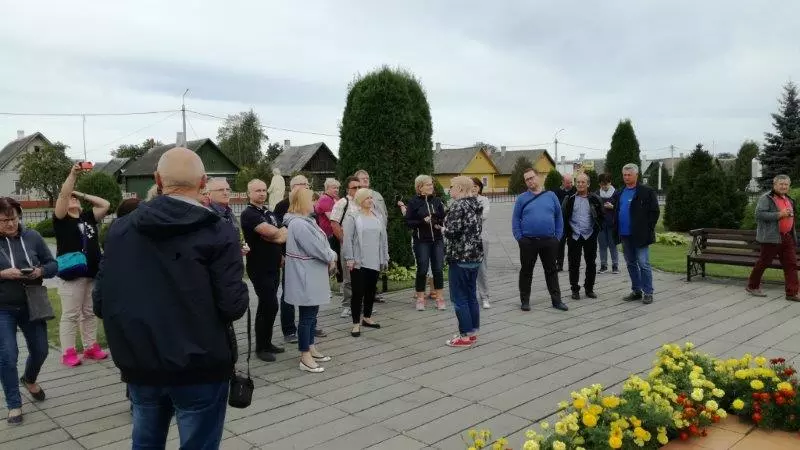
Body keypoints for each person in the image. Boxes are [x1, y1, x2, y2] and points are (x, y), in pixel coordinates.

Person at [93, 147, 249, 448]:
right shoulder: (218, 230)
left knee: (145, 441)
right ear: (202, 182)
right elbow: (232, 305)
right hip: (199, 365)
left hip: (141, 361)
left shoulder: (120, 229)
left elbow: (101, 300)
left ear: (158, 180)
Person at [0, 197, 57, 425]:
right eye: (4, 221)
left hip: (32, 303)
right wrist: (3, 274)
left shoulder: (32, 236)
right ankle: (14, 404)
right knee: (8, 356)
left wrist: (39, 271)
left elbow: (53, 265)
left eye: (13, 218)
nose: (10, 224)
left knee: (41, 350)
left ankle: (29, 378)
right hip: (3, 308)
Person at [53, 163, 111, 366]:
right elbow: (63, 195)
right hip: (72, 274)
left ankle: (90, 347)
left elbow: (105, 204)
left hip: (91, 272)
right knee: (70, 314)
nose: (73, 198)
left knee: (89, 312)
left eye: (75, 198)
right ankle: (68, 352)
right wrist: (72, 176)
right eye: (71, 197)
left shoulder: (88, 217)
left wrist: (80, 194)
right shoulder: (61, 220)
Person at [283, 188, 337, 373]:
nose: (315, 203)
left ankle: (311, 347)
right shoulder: (299, 224)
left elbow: (321, 244)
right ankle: (304, 355)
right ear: (302, 201)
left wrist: (329, 254)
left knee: (312, 314)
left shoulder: (306, 221)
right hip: (306, 275)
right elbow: (316, 248)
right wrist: (332, 255)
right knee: (307, 317)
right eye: (311, 199)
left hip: (312, 274)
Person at [274, 175, 326, 342]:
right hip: (292, 258)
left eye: (307, 184)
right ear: (293, 187)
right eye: (303, 184)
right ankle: (289, 330)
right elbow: (278, 232)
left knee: (311, 295)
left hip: (311, 260)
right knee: (289, 293)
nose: (307, 187)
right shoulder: (282, 206)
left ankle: (310, 325)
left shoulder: (309, 207)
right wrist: (281, 254)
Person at [240, 179, 288, 361]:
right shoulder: (249, 213)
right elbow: (273, 232)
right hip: (259, 266)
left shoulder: (268, 212)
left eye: (263, 190)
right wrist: (277, 234)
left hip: (274, 265)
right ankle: (261, 348)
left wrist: (277, 238)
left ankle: (267, 342)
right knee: (269, 304)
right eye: (257, 190)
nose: (261, 193)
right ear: (249, 193)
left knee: (268, 306)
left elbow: (284, 232)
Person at [512, 168, 568, 312]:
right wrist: (519, 238)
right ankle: (525, 301)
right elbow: (516, 219)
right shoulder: (522, 198)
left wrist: (557, 237)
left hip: (549, 240)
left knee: (551, 271)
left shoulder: (551, 196)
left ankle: (557, 301)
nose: (530, 181)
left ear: (538, 177)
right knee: (526, 271)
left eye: (532, 177)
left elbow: (559, 217)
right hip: (528, 241)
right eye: (527, 179)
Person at [442, 176, 484, 348]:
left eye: (451, 186)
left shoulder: (458, 205)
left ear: (459, 188)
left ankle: (464, 336)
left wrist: (443, 228)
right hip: (475, 257)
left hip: (460, 257)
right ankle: (472, 333)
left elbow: (452, 232)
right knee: (471, 296)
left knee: (459, 298)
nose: (449, 189)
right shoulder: (475, 204)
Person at [342, 188, 389, 337]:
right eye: (367, 198)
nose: (370, 200)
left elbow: (384, 238)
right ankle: (356, 324)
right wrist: (349, 258)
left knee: (370, 290)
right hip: (358, 261)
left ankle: (367, 318)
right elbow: (348, 239)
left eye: (371, 198)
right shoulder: (353, 217)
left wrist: (385, 256)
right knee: (357, 293)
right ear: (360, 200)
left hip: (375, 260)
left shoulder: (378, 216)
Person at [746, 174, 799, 301]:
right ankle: (752, 286)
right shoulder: (766, 198)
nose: (783, 186)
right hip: (771, 237)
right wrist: (779, 214)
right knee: (764, 262)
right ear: (775, 185)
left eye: (786, 184)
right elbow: (759, 215)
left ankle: (792, 293)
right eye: (781, 184)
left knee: (791, 264)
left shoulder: (789, 199)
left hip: (787, 237)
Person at [613, 163, 660, 304]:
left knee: (643, 263)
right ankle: (636, 290)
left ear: (636, 175)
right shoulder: (620, 192)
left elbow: (654, 212)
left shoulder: (646, 191)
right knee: (631, 263)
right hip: (625, 234)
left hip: (640, 235)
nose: (626, 177)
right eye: (624, 175)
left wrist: (648, 228)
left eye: (629, 175)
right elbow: (617, 210)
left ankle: (648, 292)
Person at [405, 175, 447, 311]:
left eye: (431, 184)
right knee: (422, 269)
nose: (431, 186)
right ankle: (420, 299)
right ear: (420, 187)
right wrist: (422, 221)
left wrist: (438, 221)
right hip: (421, 241)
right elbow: (408, 222)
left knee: (438, 269)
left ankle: (440, 298)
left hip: (437, 240)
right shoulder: (413, 202)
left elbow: (443, 218)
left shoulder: (437, 201)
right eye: (428, 184)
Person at [562, 173, 603, 300]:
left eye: (583, 182)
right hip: (574, 236)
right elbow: (564, 216)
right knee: (573, 263)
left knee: (591, 263)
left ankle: (589, 288)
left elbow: (601, 217)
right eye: (578, 182)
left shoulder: (595, 199)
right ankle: (575, 289)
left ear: (588, 184)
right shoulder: (569, 199)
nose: (580, 184)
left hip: (589, 235)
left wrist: (595, 231)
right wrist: (567, 233)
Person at [354, 169, 388, 303]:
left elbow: (384, 212)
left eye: (367, 177)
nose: (366, 179)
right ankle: (357, 301)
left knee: (375, 269)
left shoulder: (377, 195)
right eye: (362, 178)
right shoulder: (355, 196)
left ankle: (372, 294)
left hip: (377, 235)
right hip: (362, 241)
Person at [331, 176, 361, 318]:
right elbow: (334, 223)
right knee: (348, 276)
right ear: (348, 189)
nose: (358, 190)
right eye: (354, 187)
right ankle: (347, 305)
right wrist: (344, 241)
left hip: (363, 246)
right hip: (348, 245)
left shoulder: (364, 202)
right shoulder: (343, 203)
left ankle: (360, 304)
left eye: (359, 187)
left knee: (362, 276)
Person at [471, 177, 492, 309]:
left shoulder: (484, 200)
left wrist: (467, 217)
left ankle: (484, 297)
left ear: (479, 188)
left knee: (481, 268)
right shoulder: (463, 199)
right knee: (467, 268)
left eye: (476, 186)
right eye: (471, 186)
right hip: (465, 240)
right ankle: (470, 296)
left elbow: (484, 215)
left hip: (481, 238)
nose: (473, 188)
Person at [316, 178, 341, 282]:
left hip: (330, 234)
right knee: (331, 261)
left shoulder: (330, 198)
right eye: (334, 188)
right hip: (328, 235)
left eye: (338, 188)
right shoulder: (326, 199)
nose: (337, 190)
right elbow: (332, 218)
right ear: (327, 188)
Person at [597, 173, 619, 274]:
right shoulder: (597, 193)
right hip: (601, 224)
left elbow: (620, 208)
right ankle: (603, 265)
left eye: (606, 184)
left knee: (612, 245)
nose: (604, 186)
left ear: (610, 183)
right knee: (602, 245)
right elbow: (593, 208)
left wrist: (613, 207)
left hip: (612, 224)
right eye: (602, 184)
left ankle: (615, 265)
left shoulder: (616, 193)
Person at [554, 174, 576, 272]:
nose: (570, 184)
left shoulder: (575, 191)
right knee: (560, 245)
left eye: (571, 182)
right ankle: (559, 264)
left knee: (572, 245)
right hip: (561, 222)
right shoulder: (556, 192)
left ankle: (572, 264)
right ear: (562, 182)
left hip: (572, 222)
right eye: (568, 183)